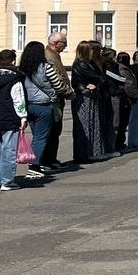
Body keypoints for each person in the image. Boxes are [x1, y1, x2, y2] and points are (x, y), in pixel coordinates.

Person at [0, 49, 28, 191]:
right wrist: (23, 117)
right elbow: (18, 100)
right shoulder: (15, 79)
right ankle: (7, 181)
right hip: (8, 118)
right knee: (8, 149)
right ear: (13, 61)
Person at [19, 41, 64, 179]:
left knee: (36, 136)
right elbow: (57, 84)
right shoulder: (45, 67)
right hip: (43, 105)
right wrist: (54, 95)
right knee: (41, 137)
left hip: (28, 105)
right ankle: (34, 165)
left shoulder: (22, 68)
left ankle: (38, 163)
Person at [39, 31, 75, 171]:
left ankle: (50, 159)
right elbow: (56, 79)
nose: (65, 46)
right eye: (64, 43)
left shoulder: (54, 55)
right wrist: (68, 92)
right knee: (52, 131)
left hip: (56, 98)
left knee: (55, 131)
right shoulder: (49, 56)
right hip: (53, 99)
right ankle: (47, 160)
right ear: (55, 43)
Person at [71, 41, 107, 163]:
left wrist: (95, 83)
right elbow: (98, 77)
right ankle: (85, 154)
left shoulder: (88, 63)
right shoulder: (81, 64)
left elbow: (100, 77)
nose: (93, 52)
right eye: (90, 50)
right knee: (86, 126)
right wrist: (91, 84)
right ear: (85, 51)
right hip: (84, 97)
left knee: (92, 124)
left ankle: (92, 152)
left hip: (90, 95)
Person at [114, 52, 138, 151]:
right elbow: (129, 84)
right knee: (123, 122)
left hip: (126, 98)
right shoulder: (123, 69)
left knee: (124, 122)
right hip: (126, 99)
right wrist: (135, 96)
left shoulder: (122, 68)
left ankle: (120, 143)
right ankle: (119, 144)